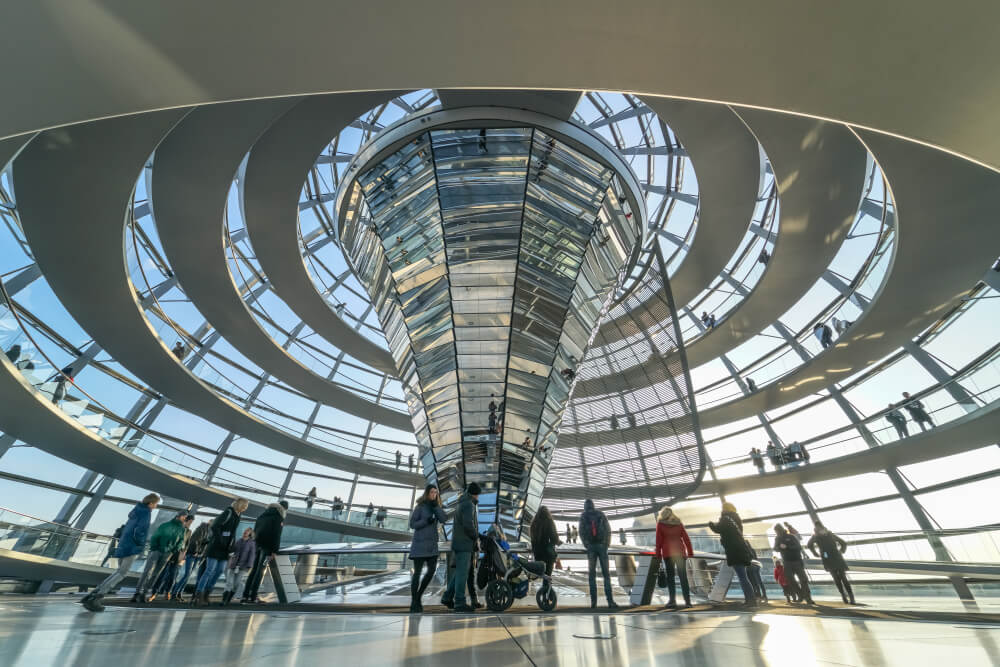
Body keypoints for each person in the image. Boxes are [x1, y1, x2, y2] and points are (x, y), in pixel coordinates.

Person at [81, 493, 160, 612]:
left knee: (118, 572)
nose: (156, 506)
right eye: (156, 504)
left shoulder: (136, 511)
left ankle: (92, 595)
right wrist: (140, 543)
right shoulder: (146, 512)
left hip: (124, 544)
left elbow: (129, 528)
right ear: (151, 503)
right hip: (132, 546)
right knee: (122, 573)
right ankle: (96, 597)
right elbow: (140, 530)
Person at [193, 498, 249, 606]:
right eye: (245, 506)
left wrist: (232, 546)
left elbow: (232, 533)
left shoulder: (238, 516)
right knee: (209, 570)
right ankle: (199, 595)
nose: (245, 508)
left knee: (219, 571)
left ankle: (207, 593)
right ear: (240, 505)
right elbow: (215, 526)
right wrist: (220, 540)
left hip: (225, 549)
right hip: (215, 547)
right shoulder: (228, 512)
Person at [133, 511, 191, 603]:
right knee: (147, 572)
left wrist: (173, 550)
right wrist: (154, 548)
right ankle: (137, 593)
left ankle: (144, 593)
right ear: (178, 516)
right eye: (184, 516)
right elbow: (155, 536)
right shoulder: (166, 525)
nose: (185, 518)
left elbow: (180, 542)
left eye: (186, 517)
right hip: (156, 551)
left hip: (167, 554)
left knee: (156, 574)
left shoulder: (182, 530)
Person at [441, 482, 480, 613]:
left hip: (459, 543)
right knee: (462, 574)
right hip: (465, 544)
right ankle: (459, 602)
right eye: (478, 494)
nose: (478, 497)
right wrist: (476, 536)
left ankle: (447, 597)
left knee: (459, 572)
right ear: (475, 494)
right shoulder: (468, 504)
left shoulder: (461, 503)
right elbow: (468, 524)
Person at [408, 483, 447, 612]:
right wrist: (425, 521)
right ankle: (414, 603)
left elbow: (443, 519)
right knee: (417, 574)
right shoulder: (420, 506)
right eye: (431, 492)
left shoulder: (436, 506)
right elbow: (412, 524)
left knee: (431, 571)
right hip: (419, 545)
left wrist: (436, 507)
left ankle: (418, 597)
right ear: (427, 493)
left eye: (435, 492)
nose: (434, 494)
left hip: (431, 546)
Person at [708, 502, 755, 605]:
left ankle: (751, 601)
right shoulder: (736, 518)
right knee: (744, 577)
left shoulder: (726, 518)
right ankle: (750, 600)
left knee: (743, 578)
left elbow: (718, 529)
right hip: (741, 550)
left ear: (725, 509)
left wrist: (711, 524)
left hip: (735, 551)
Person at [242, 500, 288, 604]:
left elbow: (254, 533)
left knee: (254, 571)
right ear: (284, 509)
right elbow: (276, 535)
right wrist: (274, 551)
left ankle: (245, 595)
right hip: (267, 549)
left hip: (257, 546)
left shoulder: (262, 516)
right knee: (260, 571)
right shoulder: (278, 518)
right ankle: (253, 597)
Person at [579, 498, 618, 609]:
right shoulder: (600, 514)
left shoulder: (583, 516)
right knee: (606, 575)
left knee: (592, 575)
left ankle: (594, 602)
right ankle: (610, 601)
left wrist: (586, 544)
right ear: (593, 505)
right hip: (602, 546)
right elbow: (608, 529)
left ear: (585, 506)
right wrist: (606, 544)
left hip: (591, 547)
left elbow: (581, 532)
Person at [807, 521, 855, 604]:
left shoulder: (823, 535)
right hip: (833, 558)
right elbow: (809, 545)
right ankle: (847, 597)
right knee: (840, 578)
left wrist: (815, 553)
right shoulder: (820, 535)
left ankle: (847, 596)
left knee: (839, 578)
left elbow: (843, 543)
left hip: (830, 558)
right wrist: (841, 551)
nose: (819, 530)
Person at [655, 506, 693, 609]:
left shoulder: (660, 524)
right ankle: (688, 602)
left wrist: (658, 554)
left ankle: (672, 601)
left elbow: (658, 541)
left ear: (662, 514)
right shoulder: (678, 523)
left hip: (668, 554)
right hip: (680, 553)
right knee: (683, 577)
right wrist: (690, 552)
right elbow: (686, 538)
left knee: (670, 578)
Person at [171, 519, 210, 601]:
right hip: (192, 554)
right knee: (187, 574)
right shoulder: (202, 529)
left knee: (188, 576)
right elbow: (194, 541)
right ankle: (174, 593)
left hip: (197, 555)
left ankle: (179, 593)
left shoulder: (206, 531)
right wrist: (196, 551)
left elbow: (202, 542)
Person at [773, 523, 813, 604]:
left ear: (781, 530)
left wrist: (787, 547)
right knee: (790, 580)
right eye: (776, 531)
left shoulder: (791, 536)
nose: (777, 533)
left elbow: (798, 547)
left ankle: (808, 598)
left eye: (777, 531)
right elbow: (775, 548)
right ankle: (801, 595)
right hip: (786, 562)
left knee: (803, 579)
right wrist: (779, 547)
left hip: (797, 560)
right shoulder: (777, 538)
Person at [222, 527, 256, 605]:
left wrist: (249, 566)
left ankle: (229, 598)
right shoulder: (238, 540)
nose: (245, 532)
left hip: (242, 567)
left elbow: (252, 555)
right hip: (233, 564)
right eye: (245, 530)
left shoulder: (252, 543)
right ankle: (224, 600)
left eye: (247, 531)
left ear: (250, 534)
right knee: (229, 582)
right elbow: (232, 550)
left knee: (236, 584)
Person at [530, 505, 562, 583]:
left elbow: (533, 539)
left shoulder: (534, 523)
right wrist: (558, 542)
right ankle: (546, 590)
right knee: (547, 577)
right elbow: (554, 537)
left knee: (543, 575)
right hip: (548, 555)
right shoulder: (549, 521)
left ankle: (544, 589)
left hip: (537, 554)